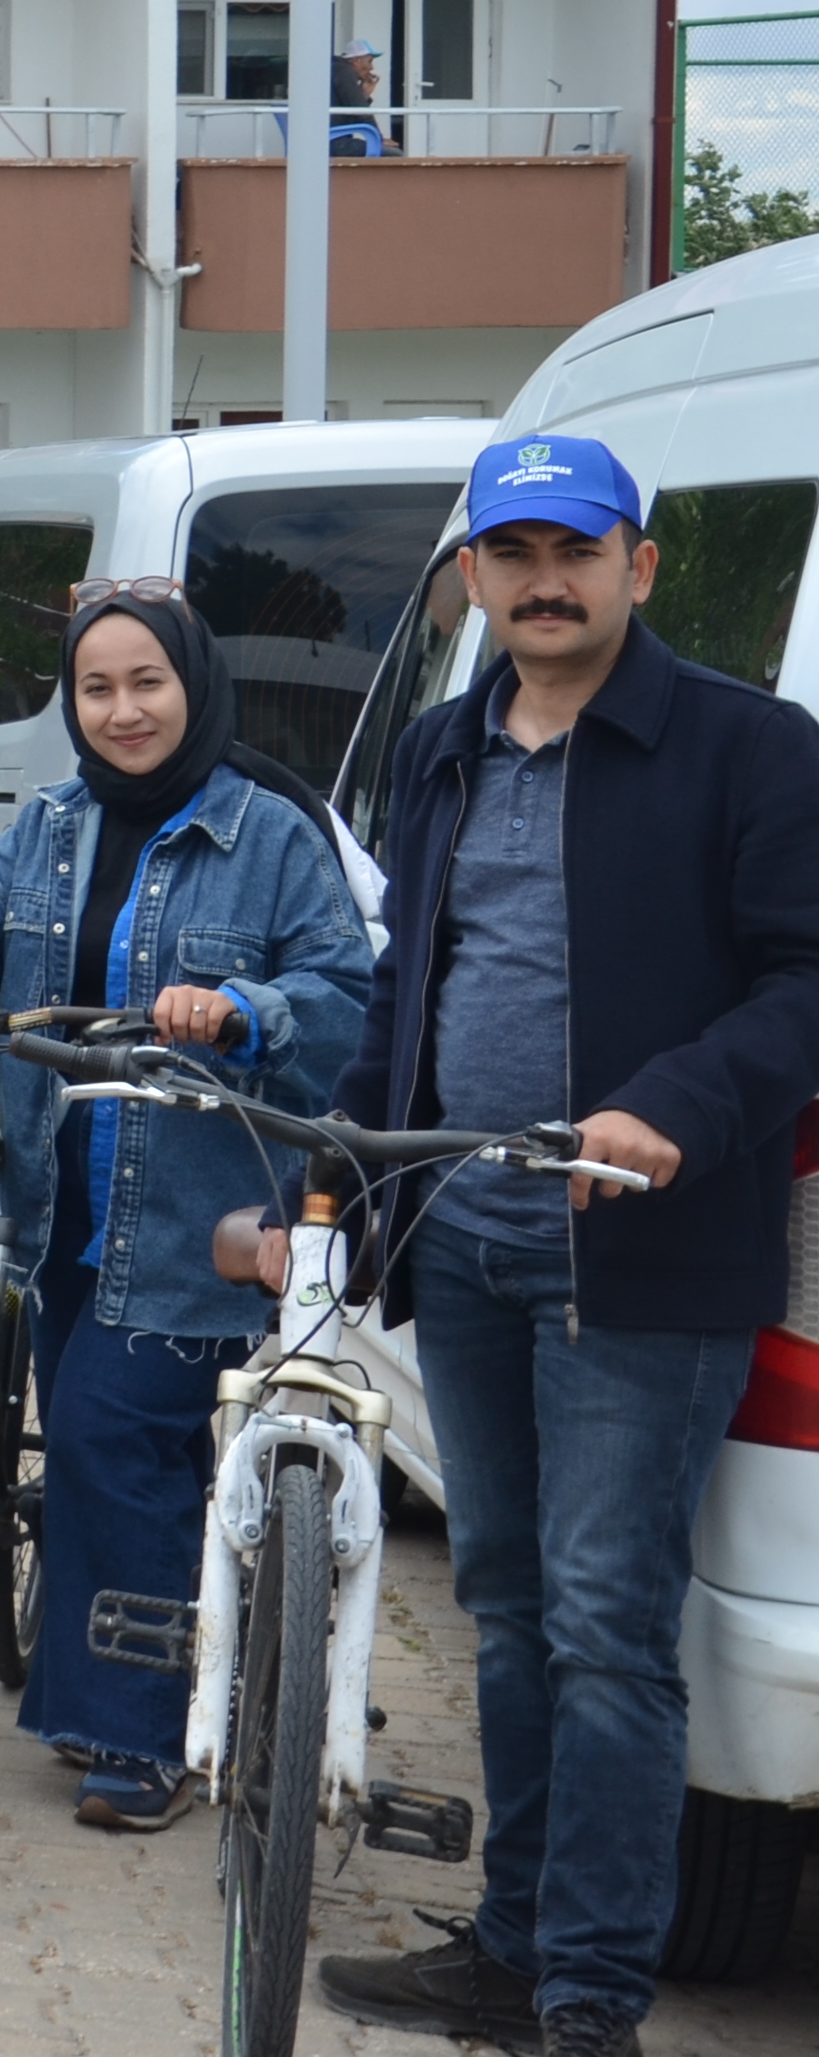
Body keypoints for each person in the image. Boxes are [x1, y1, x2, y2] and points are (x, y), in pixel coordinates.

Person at [309, 436, 819, 2057]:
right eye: (510, 547)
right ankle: (510, 1943)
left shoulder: (747, 748)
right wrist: (339, 1152)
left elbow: (804, 986)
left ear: (637, 566)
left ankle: (587, 1997)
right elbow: (411, 979)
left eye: (573, 546)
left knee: (607, 1622)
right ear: (470, 573)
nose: (543, 575)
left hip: (644, 1265)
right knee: (509, 1600)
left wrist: (673, 1098)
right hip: (462, 1235)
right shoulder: (441, 744)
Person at [0, 583, 374, 1829]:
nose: (121, 710)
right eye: (94, 688)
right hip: (55, 1204)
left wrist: (248, 1013)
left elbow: (343, 996)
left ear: (193, 687)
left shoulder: (267, 836)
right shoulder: (48, 825)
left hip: (193, 1215)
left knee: (113, 1443)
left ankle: (138, 1738)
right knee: (104, 1446)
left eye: (144, 683)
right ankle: (128, 1652)